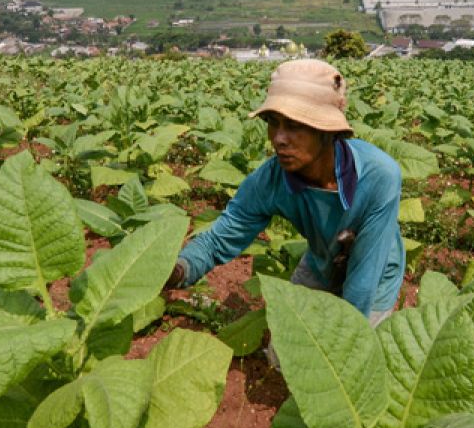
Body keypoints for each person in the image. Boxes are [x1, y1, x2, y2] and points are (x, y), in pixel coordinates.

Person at [165, 58, 404, 326]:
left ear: (327, 131)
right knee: (282, 358)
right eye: (273, 122)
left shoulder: (378, 176)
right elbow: (220, 238)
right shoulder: (270, 180)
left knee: (348, 354)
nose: (278, 138)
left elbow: (362, 282)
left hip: (375, 275)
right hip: (322, 263)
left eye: (294, 125)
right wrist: (177, 270)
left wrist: (346, 341)